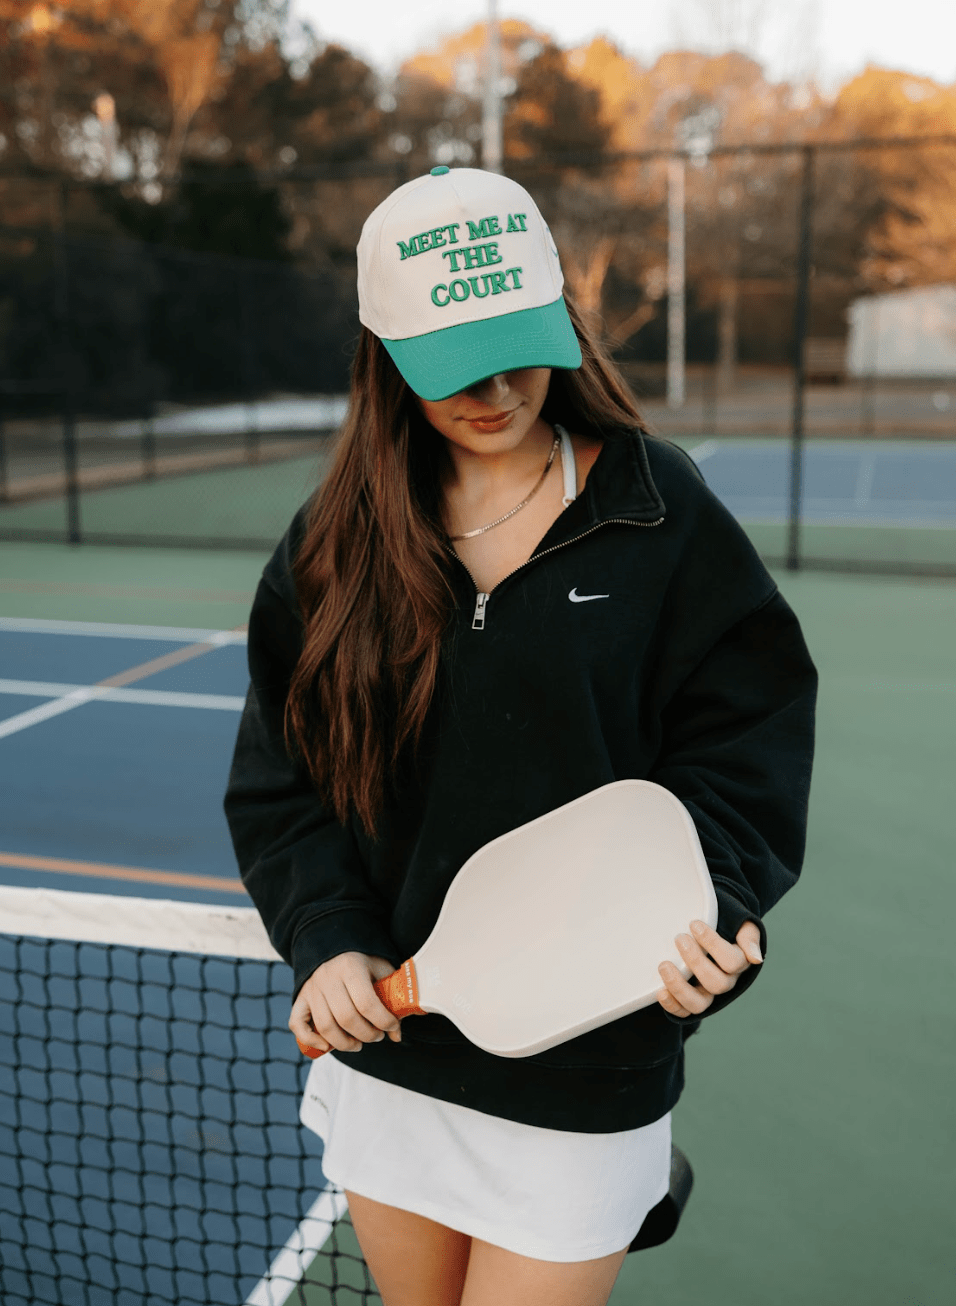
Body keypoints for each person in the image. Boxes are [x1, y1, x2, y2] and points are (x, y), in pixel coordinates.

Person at [224, 165, 817, 1306]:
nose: (496, 388)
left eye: (519, 344)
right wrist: (328, 937)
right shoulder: (332, 545)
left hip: (589, 1076)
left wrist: (718, 907)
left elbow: (745, 746)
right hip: (396, 1056)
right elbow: (281, 781)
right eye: (455, 363)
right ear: (385, 352)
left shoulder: (660, 511)